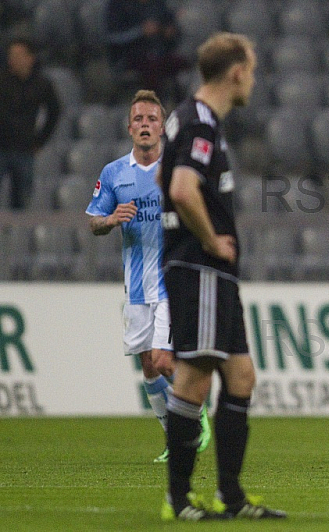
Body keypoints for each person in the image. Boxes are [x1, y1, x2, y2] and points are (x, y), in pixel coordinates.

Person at [158, 33, 285, 520]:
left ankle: (230, 497)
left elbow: (164, 181)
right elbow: (182, 188)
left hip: (210, 270)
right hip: (200, 265)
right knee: (194, 377)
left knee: (241, 375)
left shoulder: (188, 117)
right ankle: (179, 499)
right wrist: (211, 240)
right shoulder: (201, 123)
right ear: (235, 72)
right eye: (250, 69)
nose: (251, 79)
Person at [86, 89, 210, 464]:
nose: (144, 125)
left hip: (172, 280)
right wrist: (110, 219)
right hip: (136, 284)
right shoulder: (114, 173)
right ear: (129, 128)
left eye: (151, 119)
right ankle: (176, 437)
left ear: (162, 127)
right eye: (138, 119)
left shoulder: (176, 170)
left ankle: (195, 419)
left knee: (163, 360)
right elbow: (93, 221)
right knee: (147, 368)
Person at [0, 36, 60, 209]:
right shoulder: (2, 81)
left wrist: (40, 140)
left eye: (18, 55)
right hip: (2, 145)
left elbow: (54, 112)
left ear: (30, 58)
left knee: (22, 200)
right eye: (11, 55)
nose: (13, 60)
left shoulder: (41, 84)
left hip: (24, 148)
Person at [106, 0, 187, 102]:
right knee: (153, 69)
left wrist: (169, 32)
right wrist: (141, 31)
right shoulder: (118, 5)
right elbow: (113, 37)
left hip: (159, 54)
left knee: (182, 65)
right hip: (129, 58)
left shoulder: (158, 4)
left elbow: (171, 28)